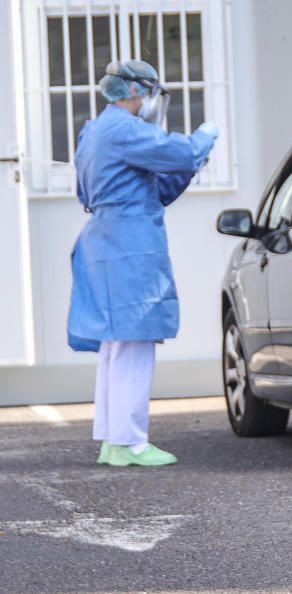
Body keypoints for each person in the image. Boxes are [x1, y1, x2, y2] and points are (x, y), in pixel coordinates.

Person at [68, 60, 218, 467]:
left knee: (116, 345)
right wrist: (205, 139)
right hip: (129, 244)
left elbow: (151, 185)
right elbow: (180, 151)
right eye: (152, 93)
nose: (153, 102)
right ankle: (132, 440)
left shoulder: (93, 130)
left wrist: (189, 166)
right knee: (134, 344)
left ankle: (112, 439)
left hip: (105, 239)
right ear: (136, 92)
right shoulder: (125, 129)